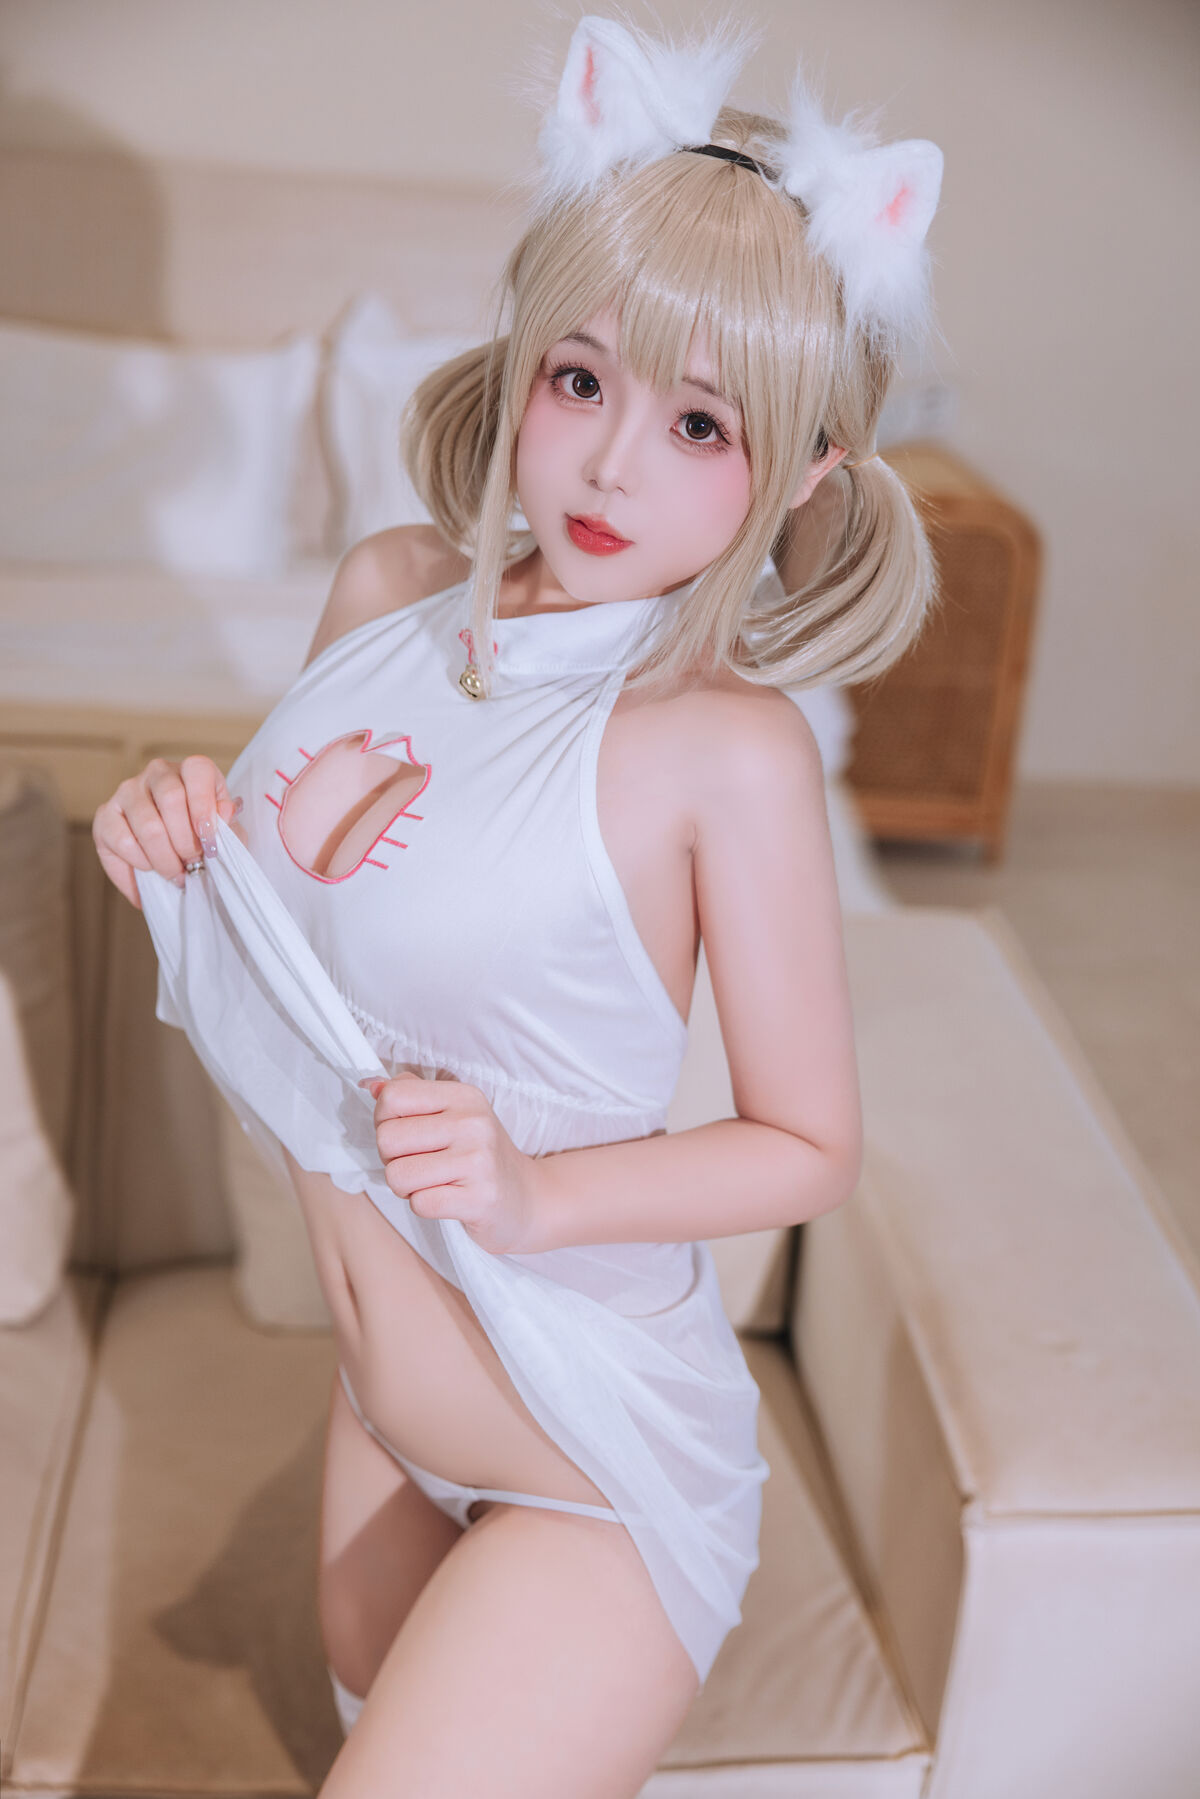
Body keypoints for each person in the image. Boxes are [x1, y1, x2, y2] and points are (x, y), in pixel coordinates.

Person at [91, 14, 943, 1795]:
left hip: (591, 1456)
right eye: (581, 382)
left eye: (700, 422)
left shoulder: (729, 750)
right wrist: (175, 829)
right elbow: (291, 941)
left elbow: (808, 1146)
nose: (614, 466)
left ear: (802, 473)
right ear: (521, 364)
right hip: (384, 1416)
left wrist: (538, 1190)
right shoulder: (384, 592)